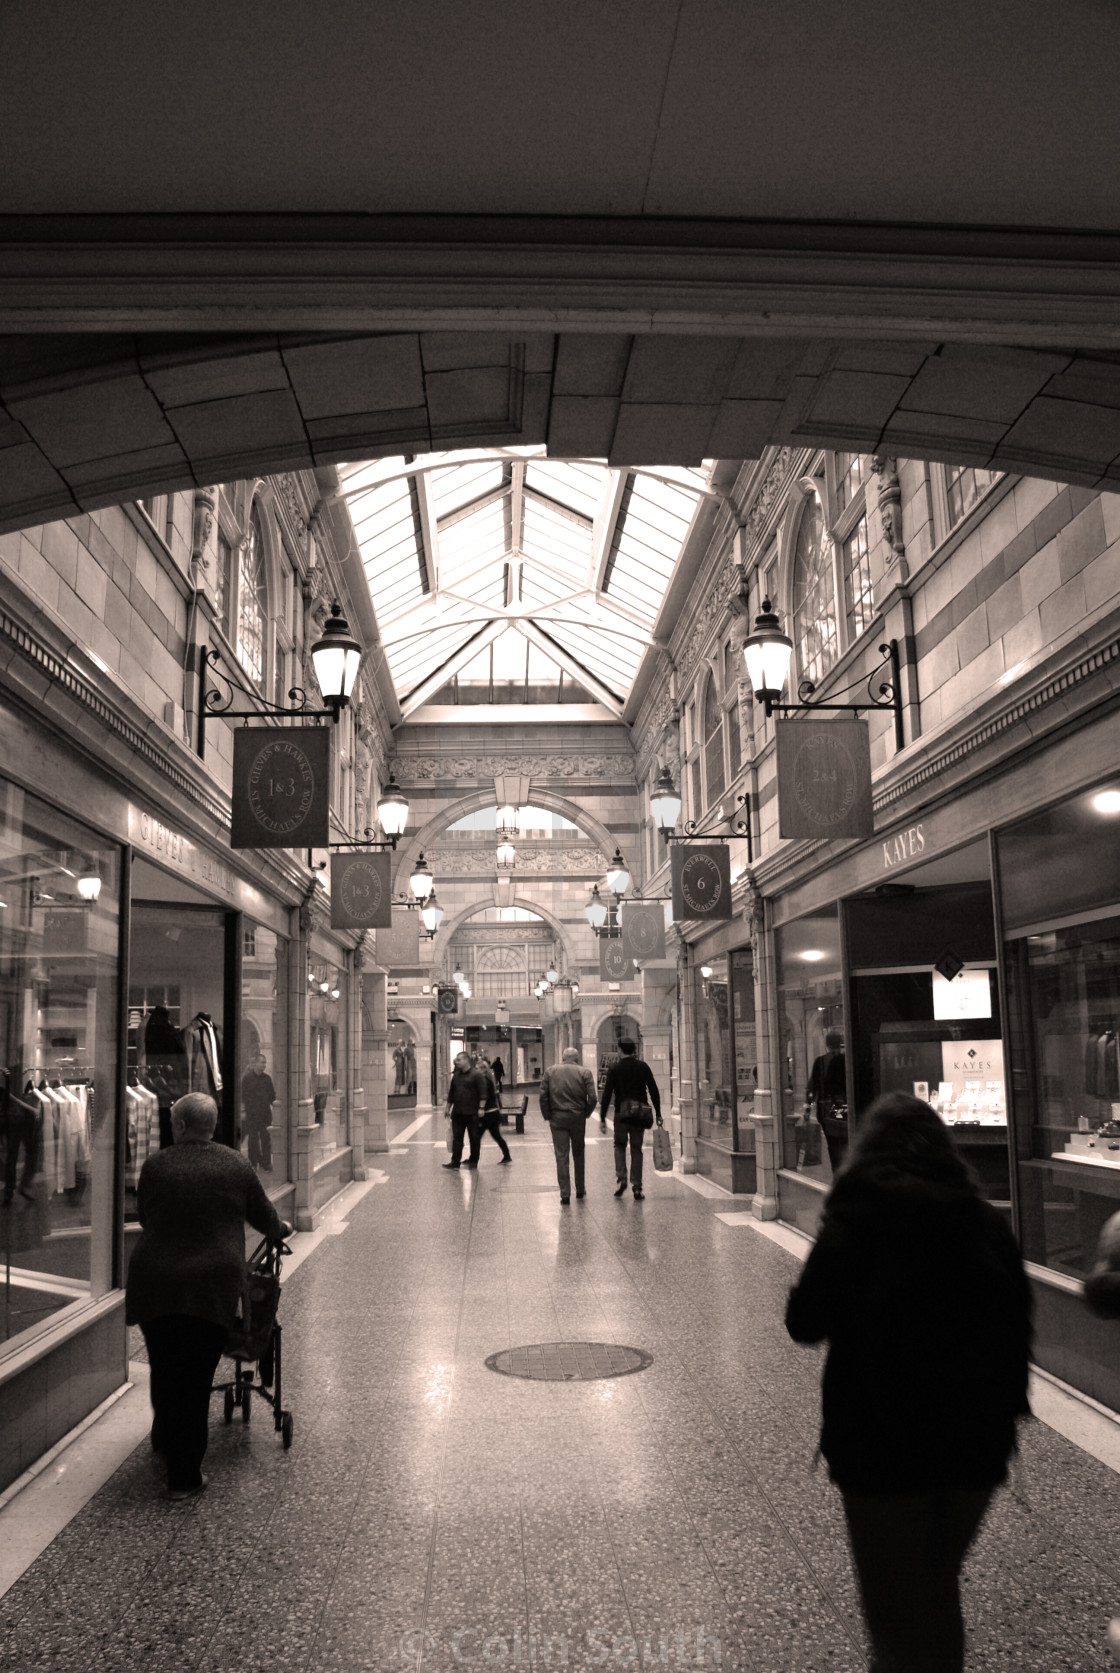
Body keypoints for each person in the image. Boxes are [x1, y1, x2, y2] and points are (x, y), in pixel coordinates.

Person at [785, 1092, 1032, 1673]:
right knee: (939, 1589)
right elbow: (1016, 1326)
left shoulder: (856, 1219)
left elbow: (804, 1323)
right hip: (974, 1446)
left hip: (880, 1445)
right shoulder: (983, 1220)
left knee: (891, 1612)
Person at [125, 1092, 290, 1501]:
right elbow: (265, 1218)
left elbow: (146, 1216)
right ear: (212, 1126)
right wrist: (282, 1229)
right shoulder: (235, 1164)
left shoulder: (156, 1164)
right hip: (209, 1286)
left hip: (156, 1279)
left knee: (164, 1367)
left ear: (179, 1125)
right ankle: (184, 1476)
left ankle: (165, 1440)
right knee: (195, 1377)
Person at [599, 1039, 661, 1200]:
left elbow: (607, 1094)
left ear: (620, 1050)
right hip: (639, 1114)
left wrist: (602, 1117)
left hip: (621, 1113)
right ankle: (637, 1187)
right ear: (634, 1050)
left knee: (619, 1146)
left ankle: (621, 1178)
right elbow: (653, 1090)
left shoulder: (614, 1067)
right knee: (636, 1149)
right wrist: (659, 1112)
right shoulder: (643, 1066)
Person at [539, 1046, 597, 1202]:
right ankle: (580, 1189)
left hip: (557, 1119)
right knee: (578, 1154)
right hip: (577, 1118)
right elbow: (592, 1098)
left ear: (563, 1057)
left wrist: (548, 1115)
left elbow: (543, 1096)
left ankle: (565, 1194)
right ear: (577, 1059)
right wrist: (586, 1113)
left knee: (561, 1156)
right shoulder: (585, 1072)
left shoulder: (550, 1072)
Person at [806, 1028, 847, 1174]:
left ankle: (838, 1170)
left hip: (826, 1108)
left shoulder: (821, 1062)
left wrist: (807, 1105)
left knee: (833, 1141)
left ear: (827, 1043)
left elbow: (813, 1086)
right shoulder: (846, 1059)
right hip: (845, 1106)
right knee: (845, 1138)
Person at [443, 1051, 488, 1169]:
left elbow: (483, 1093)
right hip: (458, 1113)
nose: (456, 1062)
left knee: (474, 1138)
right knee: (457, 1138)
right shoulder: (456, 1076)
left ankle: (474, 1161)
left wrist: (481, 1108)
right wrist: (447, 1107)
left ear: (466, 1060)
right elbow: (451, 1093)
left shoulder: (476, 1075)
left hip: (473, 1113)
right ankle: (455, 1161)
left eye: (459, 1060)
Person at [240, 1052, 276, 1171]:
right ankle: (253, 1163)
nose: (264, 1065)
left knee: (266, 1139)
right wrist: (243, 1111)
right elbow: (242, 1096)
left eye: (265, 1063)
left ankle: (266, 1163)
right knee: (253, 1139)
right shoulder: (247, 1078)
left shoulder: (267, 1079)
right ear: (255, 1063)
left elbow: (272, 1096)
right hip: (252, 1114)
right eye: (262, 1062)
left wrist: (275, 1109)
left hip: (265, 1114)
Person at [473, 1053, 511, 1164]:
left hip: (488, 1114)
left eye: (477, 1069)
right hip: (492, 1113)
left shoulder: (484, 1081)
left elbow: (483, 1096)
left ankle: (473, 1159)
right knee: (493, 1136)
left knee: (478, 1137)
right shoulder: (488, 1080)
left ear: (483, 1070)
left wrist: (479, 1107)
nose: (475, 1071)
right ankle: (506, 1155)